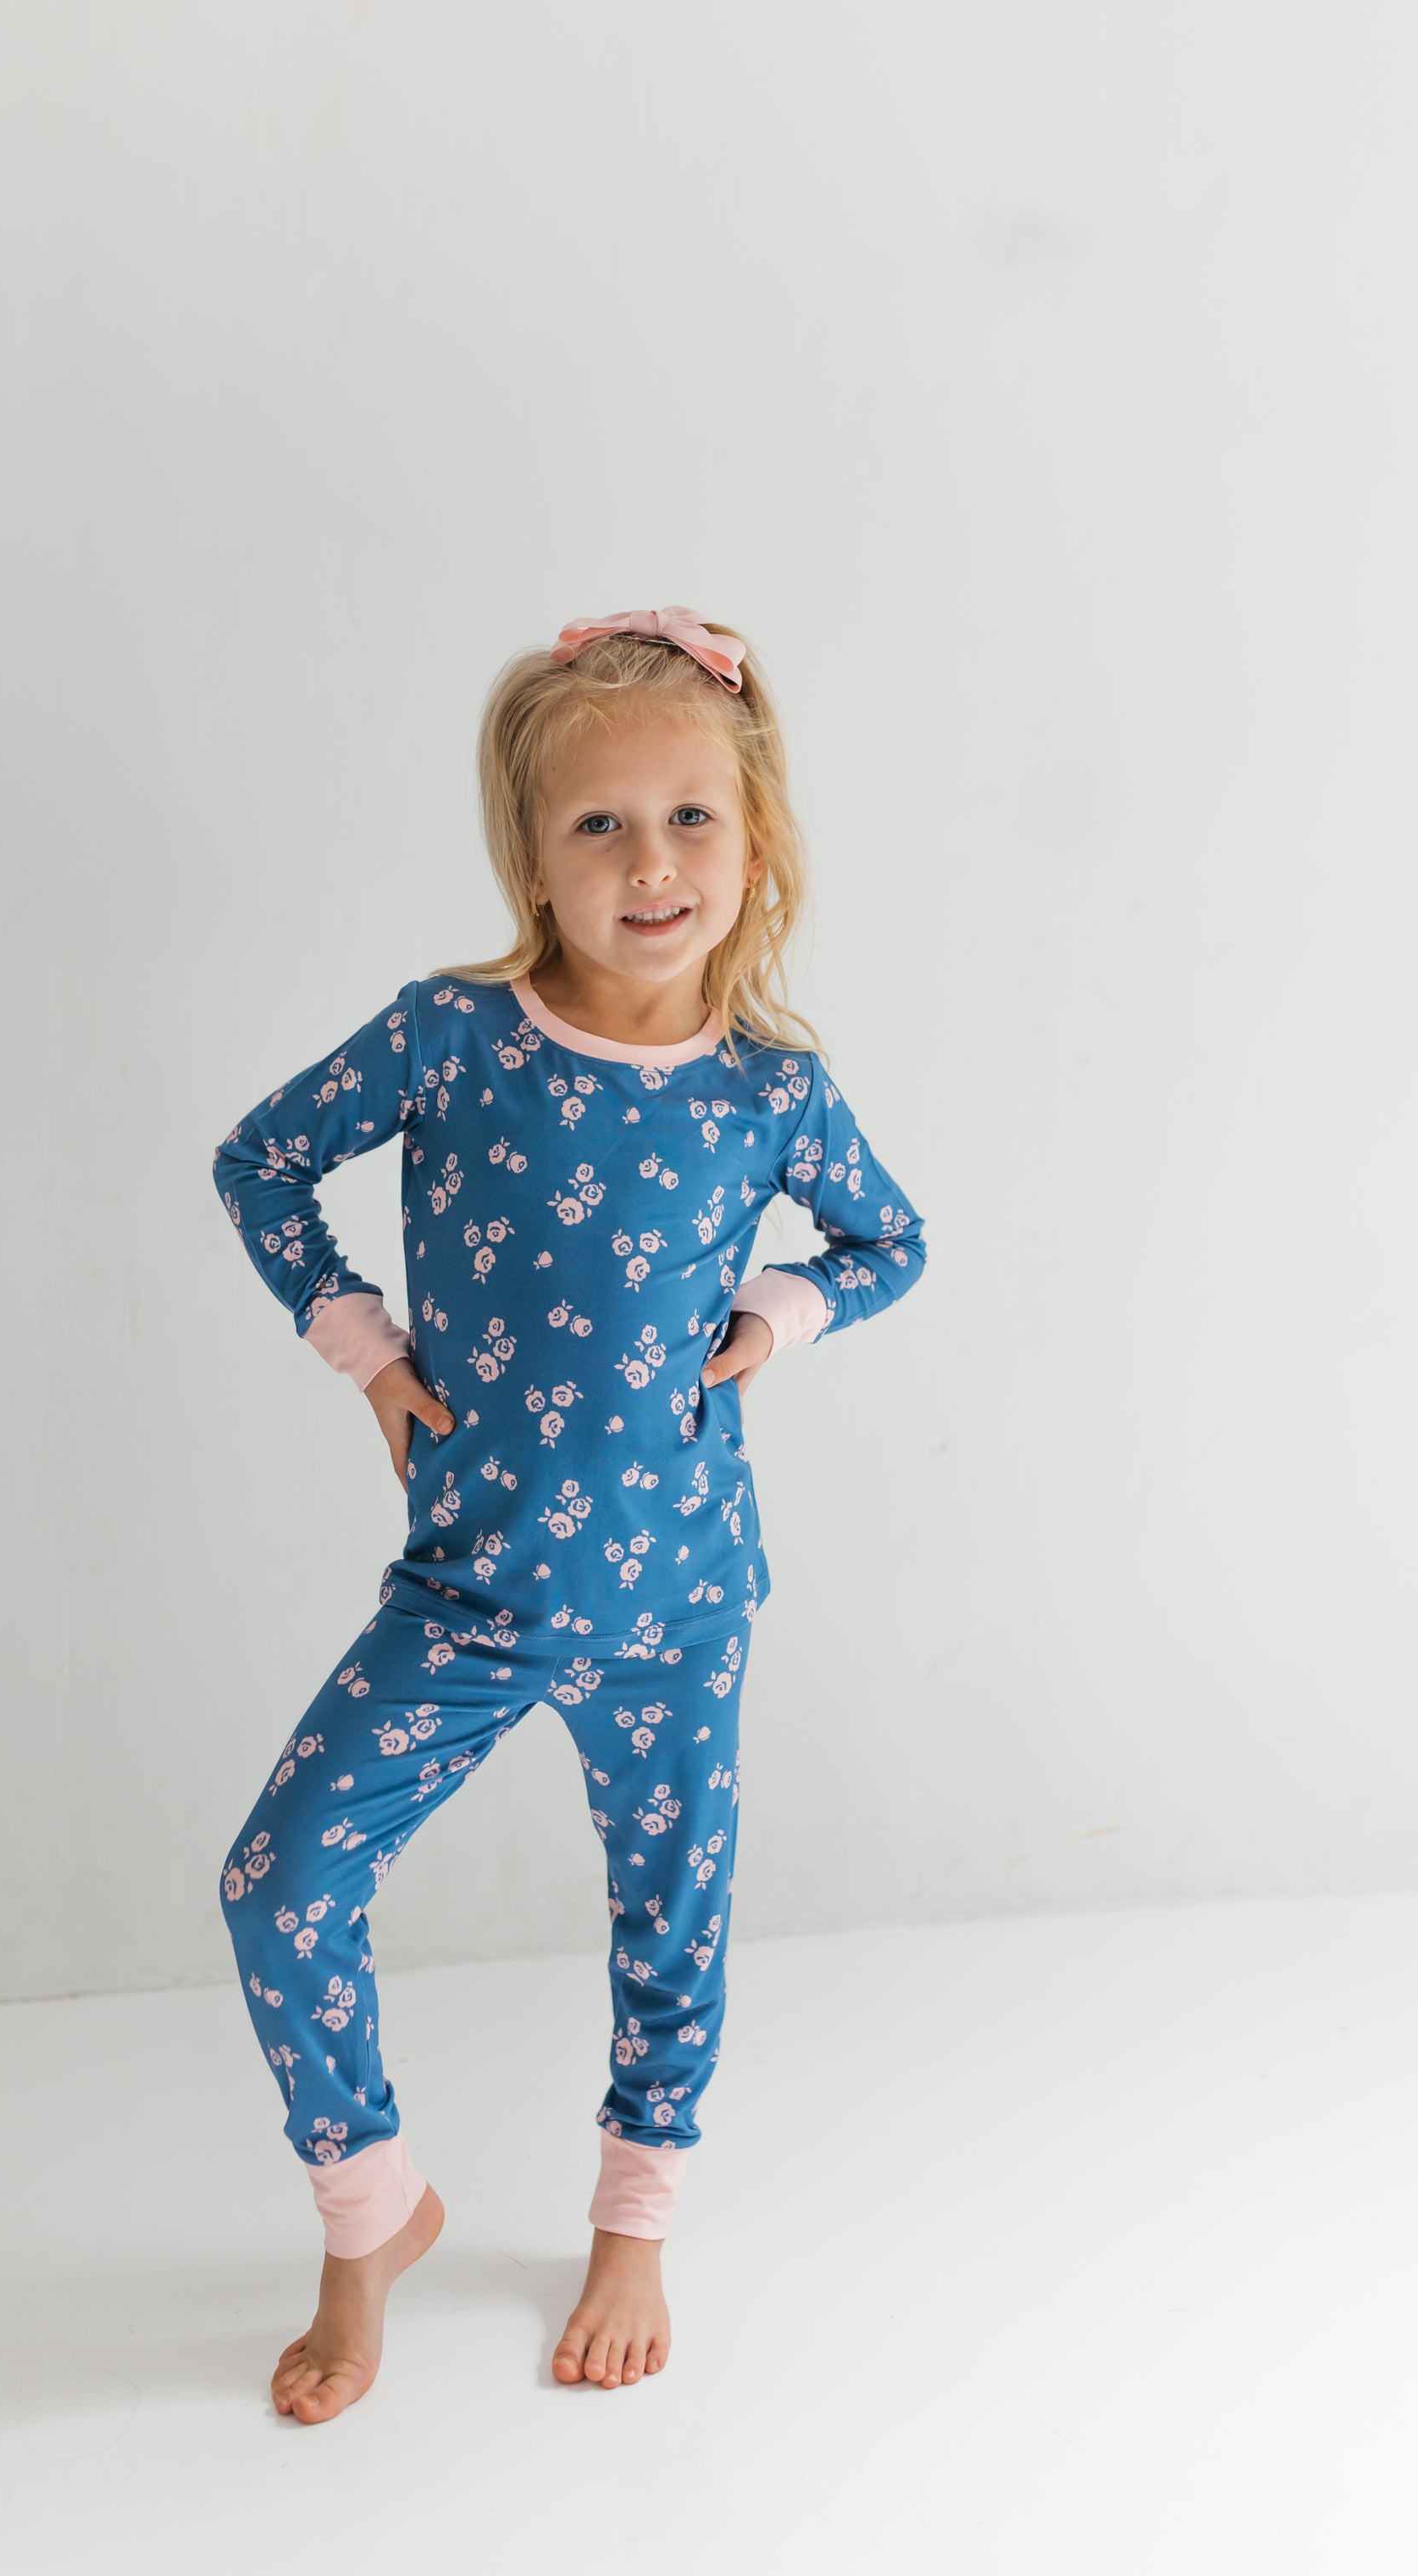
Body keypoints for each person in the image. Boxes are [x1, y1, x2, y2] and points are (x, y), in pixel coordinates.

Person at [212, 607, 927, 2423]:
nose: (648, 863)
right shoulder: (452, 1038)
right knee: (278, 1885)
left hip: (679, 1595)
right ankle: (370, 2213)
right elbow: (261, 1158)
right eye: (598, 824)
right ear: (530, 858)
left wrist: (776, 1316)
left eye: (689, 819)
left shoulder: (771, 1088)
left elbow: (888, 1239)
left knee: (669, 1920)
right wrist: (364, 1348)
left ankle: (633, 2226)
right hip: (465, 1592)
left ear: (753, 841)